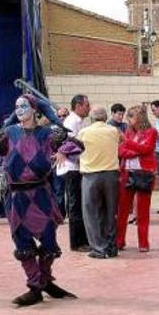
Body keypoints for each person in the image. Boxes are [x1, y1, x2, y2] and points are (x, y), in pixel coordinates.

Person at [0, 94, 82, 307]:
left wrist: (63, 152)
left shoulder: (47, 134)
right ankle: (35, 286)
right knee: (22, 242)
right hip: (16, 197)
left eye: (23, 106)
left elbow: (76, 144)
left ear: (34, 109)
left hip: (41, 195)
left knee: (48, 240)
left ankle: (44, 280)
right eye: (16, 106)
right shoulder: (8, 133)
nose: (19, 110)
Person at [77, 106, 121, 259]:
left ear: (92, 118)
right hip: (111, 175)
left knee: (91, 214)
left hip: (91, 175)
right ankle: (112, 246)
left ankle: (98, 248)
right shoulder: (113, 131)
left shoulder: (84, 132)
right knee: (110, 212)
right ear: (105, 117)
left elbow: (76, 149)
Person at [117, 105, 158, 252]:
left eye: (130, 116)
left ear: (139, 117)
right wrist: (135, 151)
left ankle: (143, 243)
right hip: (127, 173)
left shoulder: (151, 132)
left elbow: (146, 149)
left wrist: (129, 145)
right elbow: (121, 151)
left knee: (142, 211)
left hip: (143, 174)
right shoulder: (129, 132)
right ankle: (119, 241)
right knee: (122, 210)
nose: (128, 119)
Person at [57, 95, 91, 251]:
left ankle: (82, 239)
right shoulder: (72, 122)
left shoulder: (79, 121)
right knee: (75, 205)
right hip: (71, 168)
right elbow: (68, 146)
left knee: (79, 204)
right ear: (78, 105)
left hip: (78, 167)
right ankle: (77, 242)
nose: (88, 108)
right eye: (86, 105)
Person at [52, 107, 70, 214]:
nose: (62, 118)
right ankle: (60, 214)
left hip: (71, 163)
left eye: (64, 115)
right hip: (57, 163)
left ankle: (71, 214)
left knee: (71, 191)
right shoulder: (52, 130)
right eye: (59, 116)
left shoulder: (73, 128)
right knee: (59, 190)